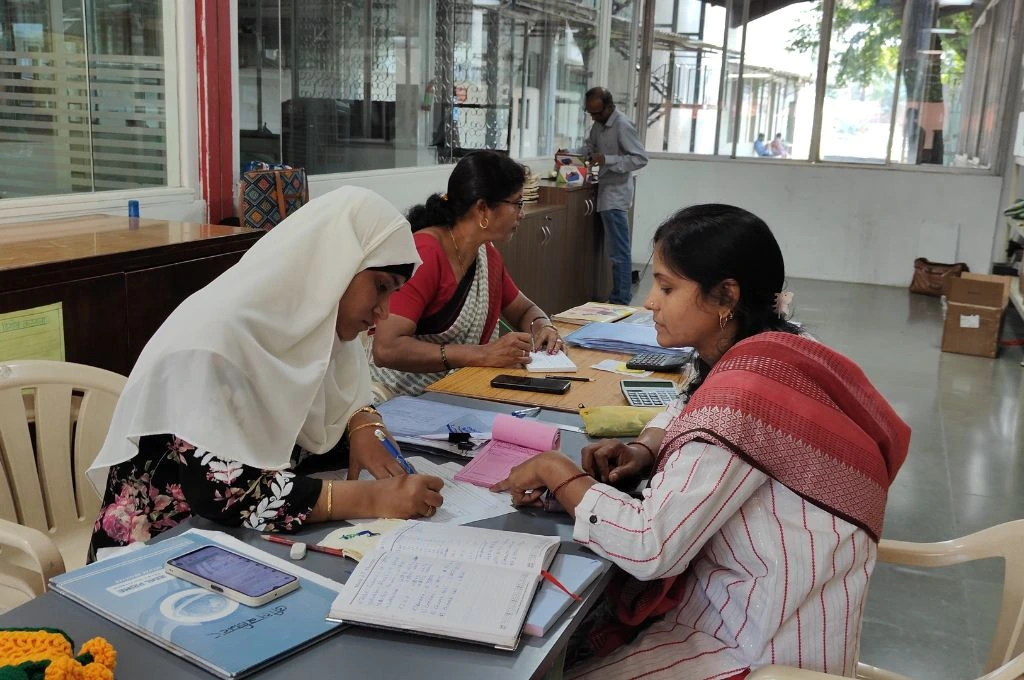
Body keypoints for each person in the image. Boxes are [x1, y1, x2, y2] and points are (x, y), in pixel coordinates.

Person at [492, 204, 910, 679]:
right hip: (785, 613)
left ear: (725, 296)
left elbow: (649, 545)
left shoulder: (743, 396)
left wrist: (555, 471)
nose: (650, 301)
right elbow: (684, 406)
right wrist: (647, 449)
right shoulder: (776, 348)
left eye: (667, 287)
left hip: (757, 647)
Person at [87, 187, 445, 558]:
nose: (383, 311)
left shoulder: (314, 331)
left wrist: (362, 422)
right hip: (159, 551)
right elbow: (227, 494)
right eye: (381, 287)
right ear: (335, 265)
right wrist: (372, 498)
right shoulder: (212, 345)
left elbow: (327, 420)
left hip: (240, 544)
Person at [370, 151, 562, 398]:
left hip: (456, 391)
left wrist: (543, 328)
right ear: (483, 208)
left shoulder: (485, 255)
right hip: (399, 397)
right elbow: (386, 348)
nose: (522, 214)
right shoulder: (426, 253)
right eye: (517, 204)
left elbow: (524, 310)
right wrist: (482, 354)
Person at [570, 87, 648, 305]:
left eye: (597, 113)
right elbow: (591, 145)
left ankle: (621, 299)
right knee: (614, 251)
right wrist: (575, 153)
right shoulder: (599, 125)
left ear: (609, 107)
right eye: (590, 113)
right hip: (603, 192)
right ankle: (617, 296)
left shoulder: (622, 125)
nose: (593, 117)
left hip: (616, 195)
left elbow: (640, 158)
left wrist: (608, 160)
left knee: (618, 252)